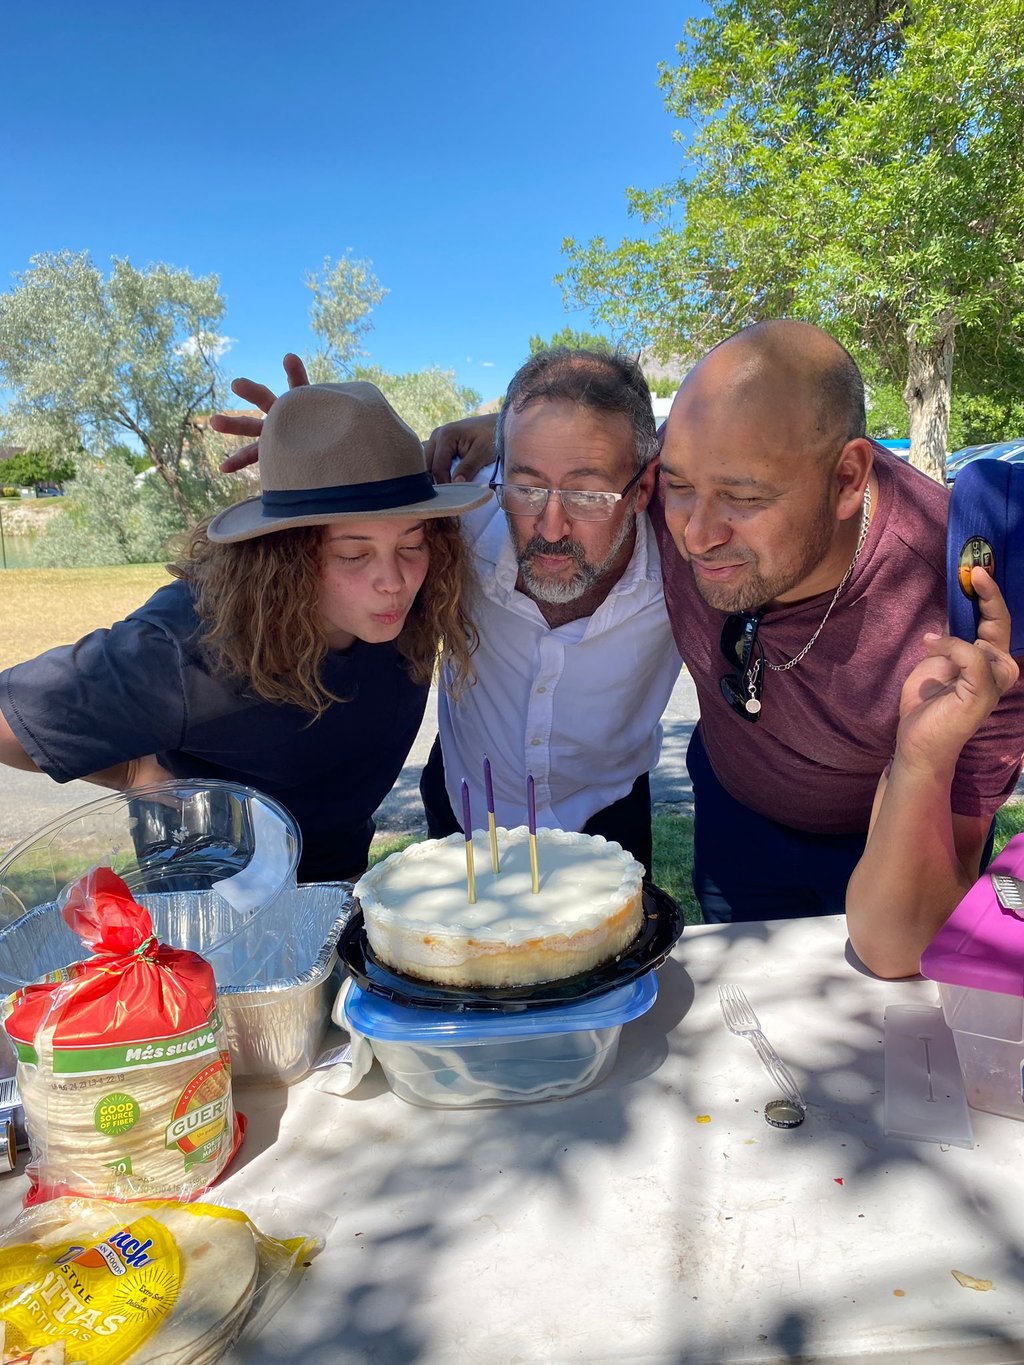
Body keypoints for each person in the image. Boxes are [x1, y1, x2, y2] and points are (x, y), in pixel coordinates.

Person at [425, 320, 1024, 965]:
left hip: (885, 839)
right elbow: (588, 449)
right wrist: (499, 433)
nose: (697, 535)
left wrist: (923, 758)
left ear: (849, 479)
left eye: (743, 497)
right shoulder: (645, 502)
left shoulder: (976, 608)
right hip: (731, 825)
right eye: (679, 486)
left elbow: (905, 945)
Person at [0, 381, 488, 883]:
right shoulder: (189, 645)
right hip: (207, 917)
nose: (395, 582)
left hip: (336, 889)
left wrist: (495, 427)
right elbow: (7, 720)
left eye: (413, 543)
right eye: (352, 555)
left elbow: (550, 468)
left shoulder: (427, 598)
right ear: (284, 557)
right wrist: (132, 773)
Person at [216, 349, 681, 874]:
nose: (551, 528)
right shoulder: (457, 517)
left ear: (642, 487)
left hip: (608, 814)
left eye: (587, 494)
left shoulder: (687, 551)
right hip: (465, 813)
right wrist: (313, 463)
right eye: (526, 487)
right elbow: (372, 501)